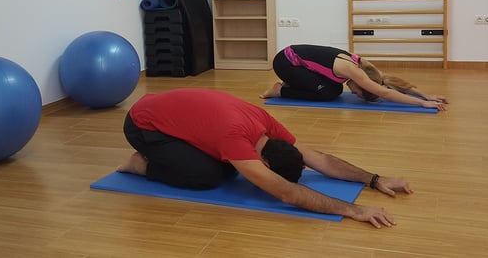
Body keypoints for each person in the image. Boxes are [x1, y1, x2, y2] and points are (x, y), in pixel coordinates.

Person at [117, 88, 413, 228]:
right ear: (266, 165)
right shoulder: (235, 138)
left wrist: (373, 179)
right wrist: (354, 210)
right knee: (207, 177)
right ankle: (140, 164)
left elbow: (320, 159)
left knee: (226, 169)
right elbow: (285, 193)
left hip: (169, 112)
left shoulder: (269, 128)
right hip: (143, 124)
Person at [260, 44, 448, 110]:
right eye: (360, 94)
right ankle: (280, 90)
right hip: (284, 63)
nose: (355, 94)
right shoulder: (354, 71)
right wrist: (422, 104)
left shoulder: (367, 68)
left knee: (334, 90)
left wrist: (424, 95)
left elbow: (390, 82)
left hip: (299, 65)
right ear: (362, 84)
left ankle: (293, 83)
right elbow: (385, 92)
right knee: (327, 93)